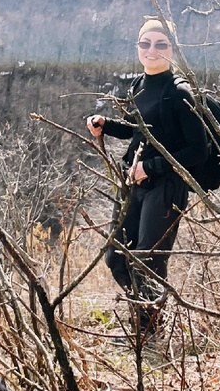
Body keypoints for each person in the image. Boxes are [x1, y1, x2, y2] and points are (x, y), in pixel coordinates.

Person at [87, 17, 208, 340]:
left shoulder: (180, 92)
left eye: (160, 44)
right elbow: (140, 130)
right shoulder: (138, 87)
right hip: (133, 184)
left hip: (166, 187)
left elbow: (198, 149)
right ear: (138, 47)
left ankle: (148, 336)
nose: (151, 50)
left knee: (147, 261)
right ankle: (146, 317)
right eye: (145, 43)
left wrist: (151, 168)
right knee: (117, 257)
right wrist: (106, 125)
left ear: (172, 50)